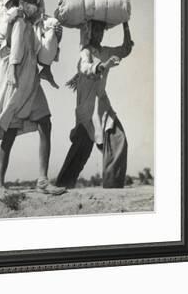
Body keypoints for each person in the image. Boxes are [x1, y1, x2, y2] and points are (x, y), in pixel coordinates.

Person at [0, 0, 66, 197]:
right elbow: (10, 47)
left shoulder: (33, 26)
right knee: (9, 130)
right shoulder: (15, 20)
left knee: (45, 121)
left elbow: (43, 54)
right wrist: (13, 74)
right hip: (16, 80)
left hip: (31, 79)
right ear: (20, 0)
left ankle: (43, 180)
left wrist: (55, 36)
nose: (32, 3)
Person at [56, 20, 133, 188]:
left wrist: (125, 25)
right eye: (96, 30)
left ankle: (113, 186)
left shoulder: (105, 51)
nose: (99, 33)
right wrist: (104, 66)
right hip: (87, 108)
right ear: (89, 32)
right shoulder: (85, 51)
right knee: (81, 150)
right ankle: (62, 186)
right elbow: (85, 68)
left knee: (118, 140)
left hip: (102, 106)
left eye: (101, 30)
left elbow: (126, 49)